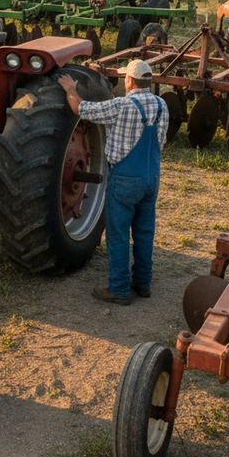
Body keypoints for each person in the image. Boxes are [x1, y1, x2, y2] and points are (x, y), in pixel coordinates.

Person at [58, 60, 169, 305]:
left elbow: (81, 109)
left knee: (118, 234)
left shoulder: (123, 105)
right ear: (148, 81)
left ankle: (118, 288)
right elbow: (160, 142)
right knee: (144, 231)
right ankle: (142, 283)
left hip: (126, 178)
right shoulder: (162, 106)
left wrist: (70, 90)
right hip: (151, 177)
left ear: (129, 80)